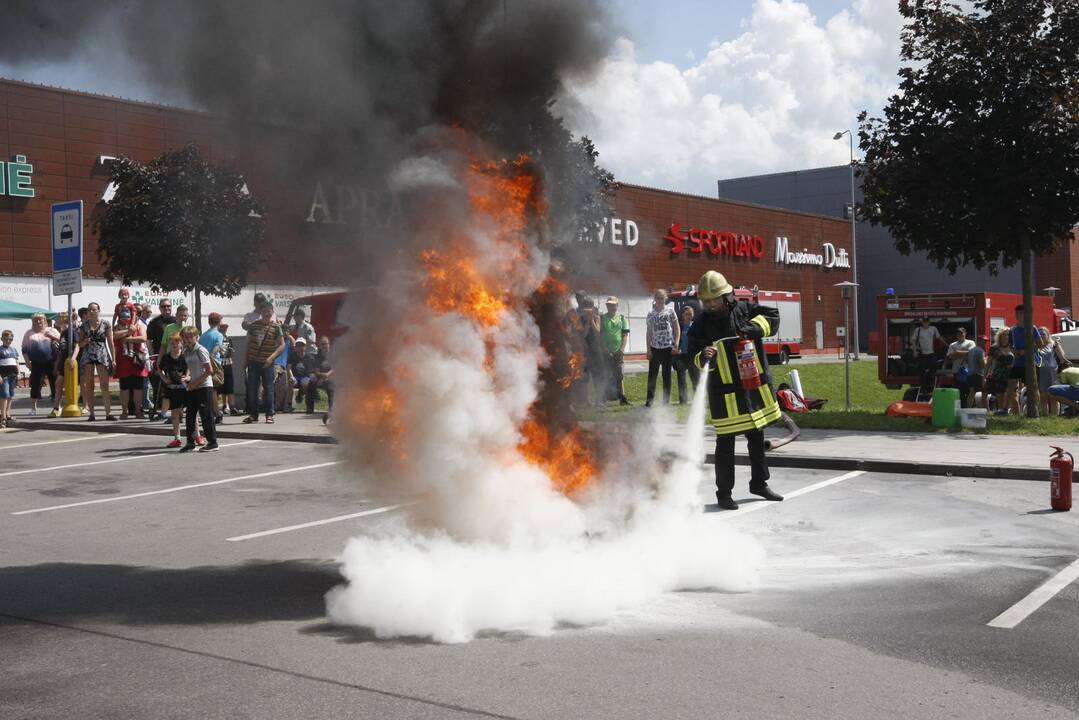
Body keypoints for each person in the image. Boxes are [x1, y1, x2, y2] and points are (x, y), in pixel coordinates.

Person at [689, 270, 783, 511]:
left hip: (752, 390)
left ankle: (759, 484)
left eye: (714, 299)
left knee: (756, 436)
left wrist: (755, 328)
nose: (710, 305)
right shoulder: (699, 325)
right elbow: (690, 358)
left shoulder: (743, 309)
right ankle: (724, 493)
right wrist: (703, 355)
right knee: (725, 445)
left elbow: (772, 315)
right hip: (725, 395)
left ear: (726, 295)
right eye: (706, 301)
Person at [244, 300, 285, 424]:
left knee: (269, 389)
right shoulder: (253, 326)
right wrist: (245, 360)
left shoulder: (276, 327)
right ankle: (253, 415)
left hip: (268, 363)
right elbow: (248, 344)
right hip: (253, 361)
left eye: (269, 311)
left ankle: (269, 414)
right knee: (252, 389)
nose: (266, 313)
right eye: (264, 311)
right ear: (260, 312)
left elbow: (281, 345)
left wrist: (271, 358)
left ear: (272, 312)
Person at [180, 326, 219, 452]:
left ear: (196, 337)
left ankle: (213, 442)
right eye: (186, 337)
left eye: (191, 336)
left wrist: (195, 383)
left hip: (204, 386)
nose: (189, 339)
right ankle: (190, 442)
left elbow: (209, 371)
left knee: (205, 414)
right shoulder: (186, 351)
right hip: (193, 386)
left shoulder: (200, 350)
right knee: (190, 415)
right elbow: (191, 369)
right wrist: (188, 378)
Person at [78, 302, 115, 421]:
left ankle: (108, 413)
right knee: (89, 385)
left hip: (102, 354)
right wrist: (86, 341)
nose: (92, 312)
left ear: (99, 310)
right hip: (88, 355)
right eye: (90, 310)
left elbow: (110, 342)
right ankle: (92, 413)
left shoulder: (106, 324)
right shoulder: (84, 325)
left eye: (94, 309)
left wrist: (113, 359)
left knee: (104, 385)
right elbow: (79, 343)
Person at [645, 288, 680, 407]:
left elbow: (676, 328)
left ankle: (666, 402)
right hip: (655, 348)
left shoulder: (670, 311)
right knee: (652, 376)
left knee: (667, 375)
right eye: (657, 298)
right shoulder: (650, 314)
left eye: (662, 298)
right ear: (655, 299)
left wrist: (676, 344)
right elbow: (649, 332)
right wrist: (648, 349)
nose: (660, 300)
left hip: (668, 348)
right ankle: (649, 401)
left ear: (665, 298)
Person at [112, 307, 149, 419]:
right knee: (124, 388)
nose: (126, 318)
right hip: (123, 361)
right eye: (123, 315)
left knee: (138, 388)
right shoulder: (116, 327)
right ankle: (124, 412)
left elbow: (143, 338)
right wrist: (128, 332)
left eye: (129, 315)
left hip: (136, 360)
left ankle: (138, 411)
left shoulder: (139, 326)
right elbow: (113, 335)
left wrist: (128, 339)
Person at [21, 312, 59, 416]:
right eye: (35, 320)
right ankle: (33, 408)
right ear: (32, 322)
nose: (38, 321)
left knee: (55, 384)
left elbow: (63, 342)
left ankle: (57, 407)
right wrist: (27, 362)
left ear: (45, 320)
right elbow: (24, 349)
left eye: (40, 319)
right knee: (35, 385)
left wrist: (52, 336)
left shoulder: (52, 330)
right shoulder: (29, 333)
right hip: (36, 363)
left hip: (52, 361)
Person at [146, 299, 176, 418]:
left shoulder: (176, 321)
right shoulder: (154, 322)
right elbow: (149, 340)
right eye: (164, 306)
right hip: (160, 356)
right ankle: (159, 408)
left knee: (174, 381)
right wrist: (153, 357)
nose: (166, 308)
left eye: (168, 306)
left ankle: (175, 408)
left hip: (174, 356)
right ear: (160, 308)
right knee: (158, 383)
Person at [157, 332, 188, 448]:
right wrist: (165, 379)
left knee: (190, 413)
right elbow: (159, 369)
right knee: (175, 414)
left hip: (184, 388)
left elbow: (189, 368)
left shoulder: (185, 356)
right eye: (172, 343)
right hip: (173, 388)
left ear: (181, 343)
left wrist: (188, 376)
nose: (174, 345)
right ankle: (177, 438)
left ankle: (196, 435)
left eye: (177, 342)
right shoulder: (166, 357)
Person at [600, 296, 630, 405]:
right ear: (607, 306)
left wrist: (621, 350)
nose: (612, 307)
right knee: (605, 374)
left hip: (618, 352)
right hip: (606, 352)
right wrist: (605, 350)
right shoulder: (602, 318)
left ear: (617, 305)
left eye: (614, 305)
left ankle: (623, 398)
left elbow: (625, 335)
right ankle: (602, 399)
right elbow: (600, 336)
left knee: (620, 375)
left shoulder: (622, 318)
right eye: (609, 305)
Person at [199, 312, 226, 424]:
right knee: (214, 389)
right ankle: (216, 412)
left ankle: (212, 411)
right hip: (213, 364)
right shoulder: (218, 335)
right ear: (219, 322)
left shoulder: (203, 335)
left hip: (202, 363)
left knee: (208, 389)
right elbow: (216, 349)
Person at [51, 312, 78, 417]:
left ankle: (73, 405)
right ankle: (57, 407)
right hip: (63, 362)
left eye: (58, 319)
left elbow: (77, 346)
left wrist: (72, 358)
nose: (56, 321)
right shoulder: (63, 333)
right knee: (58, 383)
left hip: (70, 362)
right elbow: (61, 350)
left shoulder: (71, 331)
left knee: (70, 384)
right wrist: (57, 365)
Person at [304, 336, 334, 421]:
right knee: (311, 383)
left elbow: (335, 368)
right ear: (319, 346)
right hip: (320, 378)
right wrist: (321, 376)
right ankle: (310, 408)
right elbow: (316, 370)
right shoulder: (317, 357)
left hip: (331, 377)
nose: (324, 346)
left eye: (326, 344)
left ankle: (331, 410)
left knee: (331, 387)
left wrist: (327, 375)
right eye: (322, 344)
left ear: (329, 344)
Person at [673, 305, 699, 404]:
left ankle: (697, 400)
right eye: (687, 314)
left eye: (690, 314)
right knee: (681, 378)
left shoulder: (696, 326)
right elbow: (676, 338)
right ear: (683, 315)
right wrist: (677, 348)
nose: (689, 316)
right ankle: (683, 401)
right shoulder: (679, 326)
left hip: (692, 356)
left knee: (695, 378)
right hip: (681, 356)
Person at [1006, 305, 1028, 414]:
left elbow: (1039, 344)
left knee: (1032, 389)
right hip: (1017, 362)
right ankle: (1016, 413)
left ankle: (1033, 411)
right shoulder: (1012, 329)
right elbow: (1009, 344)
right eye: (1017, 313)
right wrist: (1014, 352)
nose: (1019, 316)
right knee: (1011, 389)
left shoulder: (1031, 328)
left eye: (1021, 313)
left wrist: (1025, 351)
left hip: (1028, 364)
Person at [985, 328, 1014, 412]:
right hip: (999, 375)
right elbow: (988, 364)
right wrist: (984, 377)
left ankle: (1013, 414)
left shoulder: (1013, 346)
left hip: (1012, 374)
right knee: (1000, 396)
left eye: (1008, 334)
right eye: (1004, 334)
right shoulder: (994, 348)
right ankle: (1002, 412)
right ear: (1000, 336)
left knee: (1013, 396)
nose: (1006, 336)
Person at [946, 327, 976, 407]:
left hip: (968, 371)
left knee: (969, 391)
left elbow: (971, 354)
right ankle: (961, 408)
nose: (960, 335)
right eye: (958, 333)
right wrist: (964, 353)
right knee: (959, 392)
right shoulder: (952, 345)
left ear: (965, 333)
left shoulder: (971, 342)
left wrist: (957, 353)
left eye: (961, 333)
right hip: (956, 371)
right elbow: (950, 357)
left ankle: (969, 408)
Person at [911, 316, 942, 392]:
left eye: (927, 321)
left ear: (929, 322)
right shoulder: (918, 330)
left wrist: (947, 344)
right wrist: (914, 351)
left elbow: (939, 337)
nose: (925, 323)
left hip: (931, 353)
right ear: (922, 322)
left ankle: (930, 382)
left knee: (935, 366)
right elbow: (913, 341)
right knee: (922, 371)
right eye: (924, 321)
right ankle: (923, 388)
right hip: (923, 354)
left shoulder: (933, 328)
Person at [1035, 326, 1059, 417]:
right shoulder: (1036, 346)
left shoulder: (1053, 345)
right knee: (1043, 395)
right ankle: (1044, 415)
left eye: (1043, 334)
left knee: (1053, 395)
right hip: (1040, 372)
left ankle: (1054, 416)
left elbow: (1061, 355)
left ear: (1048, 335)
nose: (1042, 336)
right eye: (1040, 334)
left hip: (1052, 371)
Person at [217, 323, 240, 416]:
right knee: (221, 387)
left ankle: (232, 406)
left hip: (228, 363)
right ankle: (224, 405)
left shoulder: (228, 339)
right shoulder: (217, 338)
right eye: (222, 327)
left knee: (230, 386)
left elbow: (231, 351)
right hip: (219, 364)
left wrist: (232, 355)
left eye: (226, 328)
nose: (224, 329)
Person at [0, 330, 20, 427]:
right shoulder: (0, 350)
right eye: (6, 339)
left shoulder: (14, 349)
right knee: (4, 395)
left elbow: (16, 362)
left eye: (10, 339)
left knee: (11, 395)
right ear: (2, 339)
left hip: (13, 375)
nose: (8, 341)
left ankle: (8, 413)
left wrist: (18, 373)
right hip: (4, 376)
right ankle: (2, 417)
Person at [965, 335, 987, 410]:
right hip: (978, 375)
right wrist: (987, 363)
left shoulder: (970, 350)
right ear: (979, 341)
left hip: (970, 374)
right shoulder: (980, 351)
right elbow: (982, 365)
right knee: (984, 393)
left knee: (971, 393)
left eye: (986, 341)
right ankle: (987, 411)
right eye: (983, 341)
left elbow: (967, 361)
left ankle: (968, 409)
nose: (985, 343)